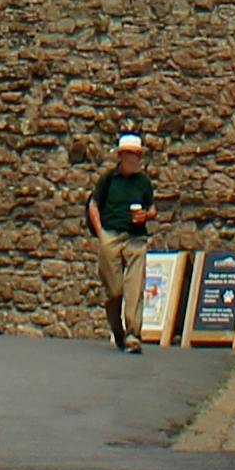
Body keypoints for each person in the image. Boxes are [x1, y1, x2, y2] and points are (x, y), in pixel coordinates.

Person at [85, 128, 155, 346]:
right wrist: (101, 233)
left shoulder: (143, 182)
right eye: (129, 154)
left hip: (136, 238)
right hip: (111, 235)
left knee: (134, 288)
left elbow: (152, 208)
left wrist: (145, 215)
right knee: (114, 290)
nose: (134, 159)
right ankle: (117, 329)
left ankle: (133, 334)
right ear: (121, 156)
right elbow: (93, 204)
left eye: (136, 154)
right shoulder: (108, 179)